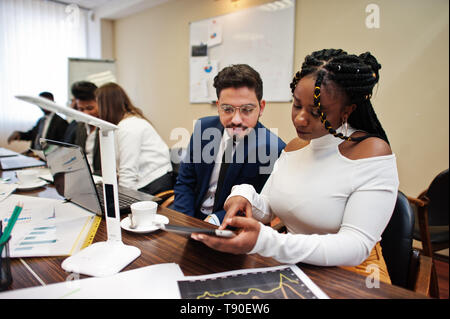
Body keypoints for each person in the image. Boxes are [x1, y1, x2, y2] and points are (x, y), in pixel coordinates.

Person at [191, 49, 399, 284]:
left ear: (347, 111)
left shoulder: (371, 152)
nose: (300, 119)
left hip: (352, 275)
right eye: (297, 106)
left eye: (315, 111)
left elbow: (355, 246)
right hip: (295, 266)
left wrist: (267, 242)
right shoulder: (295, 147)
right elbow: (268, 207)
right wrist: (245, 196)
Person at [173, 64, 286, 225]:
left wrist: (212, 222)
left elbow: (258, 205)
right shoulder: (203, 128)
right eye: (227, 109)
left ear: (261, 108)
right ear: (218, 106)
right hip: (190, 216)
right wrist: (184, 223)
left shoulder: (273, 148)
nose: (236, 120)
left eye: (246, 109)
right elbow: (185, 182)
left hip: (231, 226)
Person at [96, 82, 173, 195]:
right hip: (144, 182)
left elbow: (128, 171)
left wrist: (121, 199)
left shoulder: (129, 126)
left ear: (106, 106)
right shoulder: (122, 125)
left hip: (153, 185)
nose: (97, 110)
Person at [65, 81, 102, 175]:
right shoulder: (80, 127)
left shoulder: (107, 128)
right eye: (81, 109)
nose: (85, 114)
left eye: (90, 108)